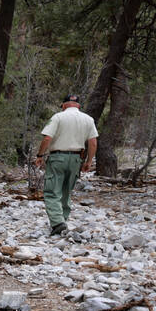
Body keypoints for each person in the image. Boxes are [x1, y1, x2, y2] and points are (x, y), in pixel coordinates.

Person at [34, 94, 98, 236]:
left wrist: (40, 155)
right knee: (66, 191)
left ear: (63, 105)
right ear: (78, 106)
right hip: (76, 159)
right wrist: (89, 161)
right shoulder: (88, 119)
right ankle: (63, 220)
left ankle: (58, 223)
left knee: (52, 191)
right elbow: (93, 142)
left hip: (58, 157)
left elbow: (47, 138)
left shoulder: (58, 117)